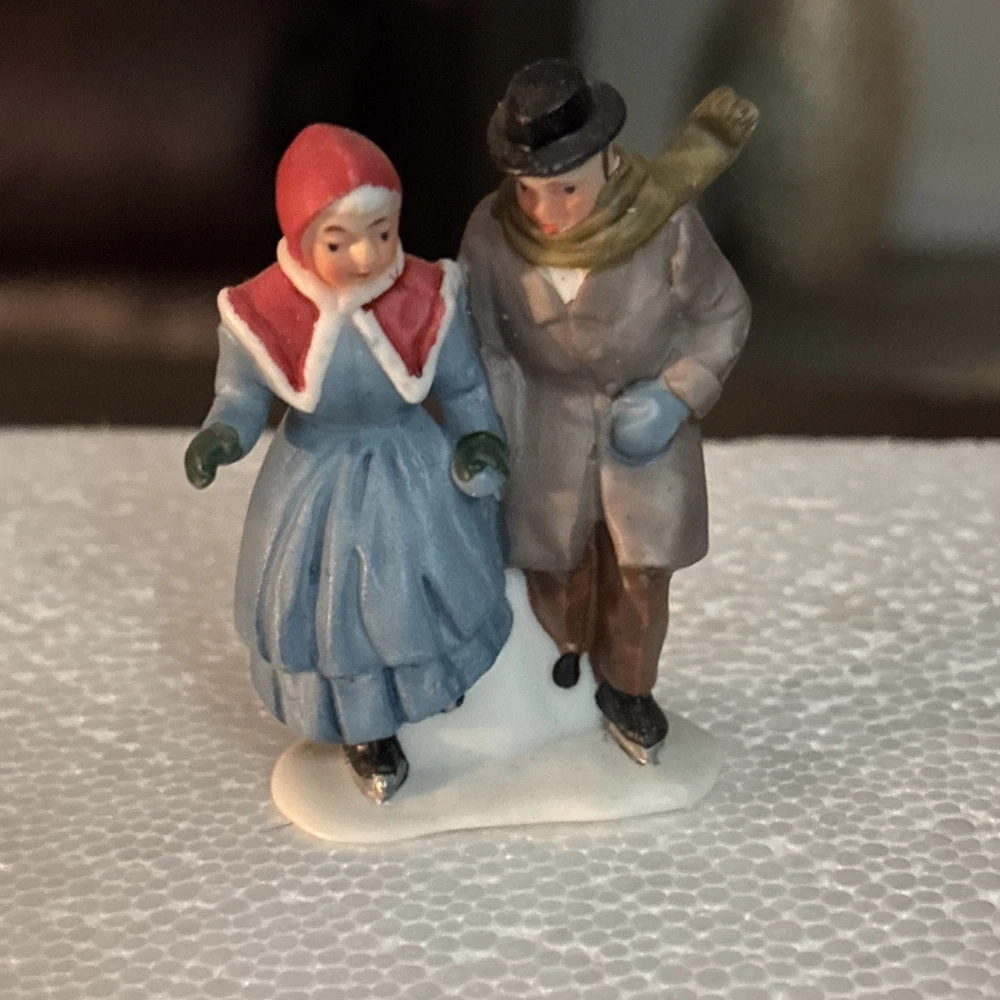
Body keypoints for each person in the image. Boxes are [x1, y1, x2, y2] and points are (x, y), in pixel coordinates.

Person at [185, 124, 511, 803]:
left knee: (429, 590)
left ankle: (434, 682)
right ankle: (368, 730)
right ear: (302, 236)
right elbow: (240, 395)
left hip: (411, 464)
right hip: (316, 478)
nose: (366, 256)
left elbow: (463, 386)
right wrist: (222, 435)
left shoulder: (429, 296)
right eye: (339, 242)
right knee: (338, 617)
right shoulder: (260, 311)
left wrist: (479, 438)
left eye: (382, 232)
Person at [460, 58, 756, 764]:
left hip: (644, 431)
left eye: (566, 189)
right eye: (528, 190)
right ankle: (557, 663)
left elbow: (724, 315)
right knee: (551, 560)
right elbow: (484, 345)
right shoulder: (492, 235)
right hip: (544, 423)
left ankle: (627, 686)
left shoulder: (666, 227)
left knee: (639, 572)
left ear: (608, 161)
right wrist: (487, 430)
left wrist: (677, 393)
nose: (545, 211)